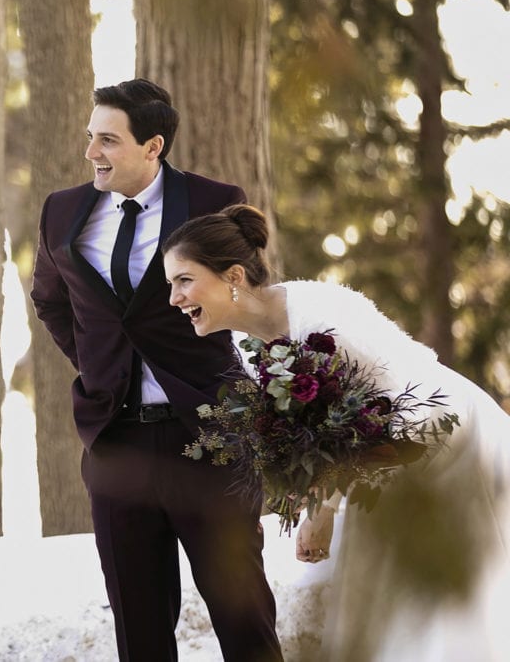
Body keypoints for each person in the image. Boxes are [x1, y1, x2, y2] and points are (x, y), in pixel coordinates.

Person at [161, 203, 510, 660]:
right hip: (383, 470)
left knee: (449, 607)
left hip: (444, 441)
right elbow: (324, 436)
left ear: (233, 276)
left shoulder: (321, 321)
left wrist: (322, 513)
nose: (174, 298)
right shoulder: (248, 344)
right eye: (171, 285)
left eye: (183, 280)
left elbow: (390, 417)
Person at [30, 79, 284, 661]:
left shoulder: (213, 201)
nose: (92, 152)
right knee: (139, 634)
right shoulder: (61, 212)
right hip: (115, 440)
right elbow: (50, 300)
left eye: (108, 140)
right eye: (90, 137)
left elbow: (246, 299)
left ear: (154, 147)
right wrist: (100, 366)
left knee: (244, 618)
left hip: (210, 436)